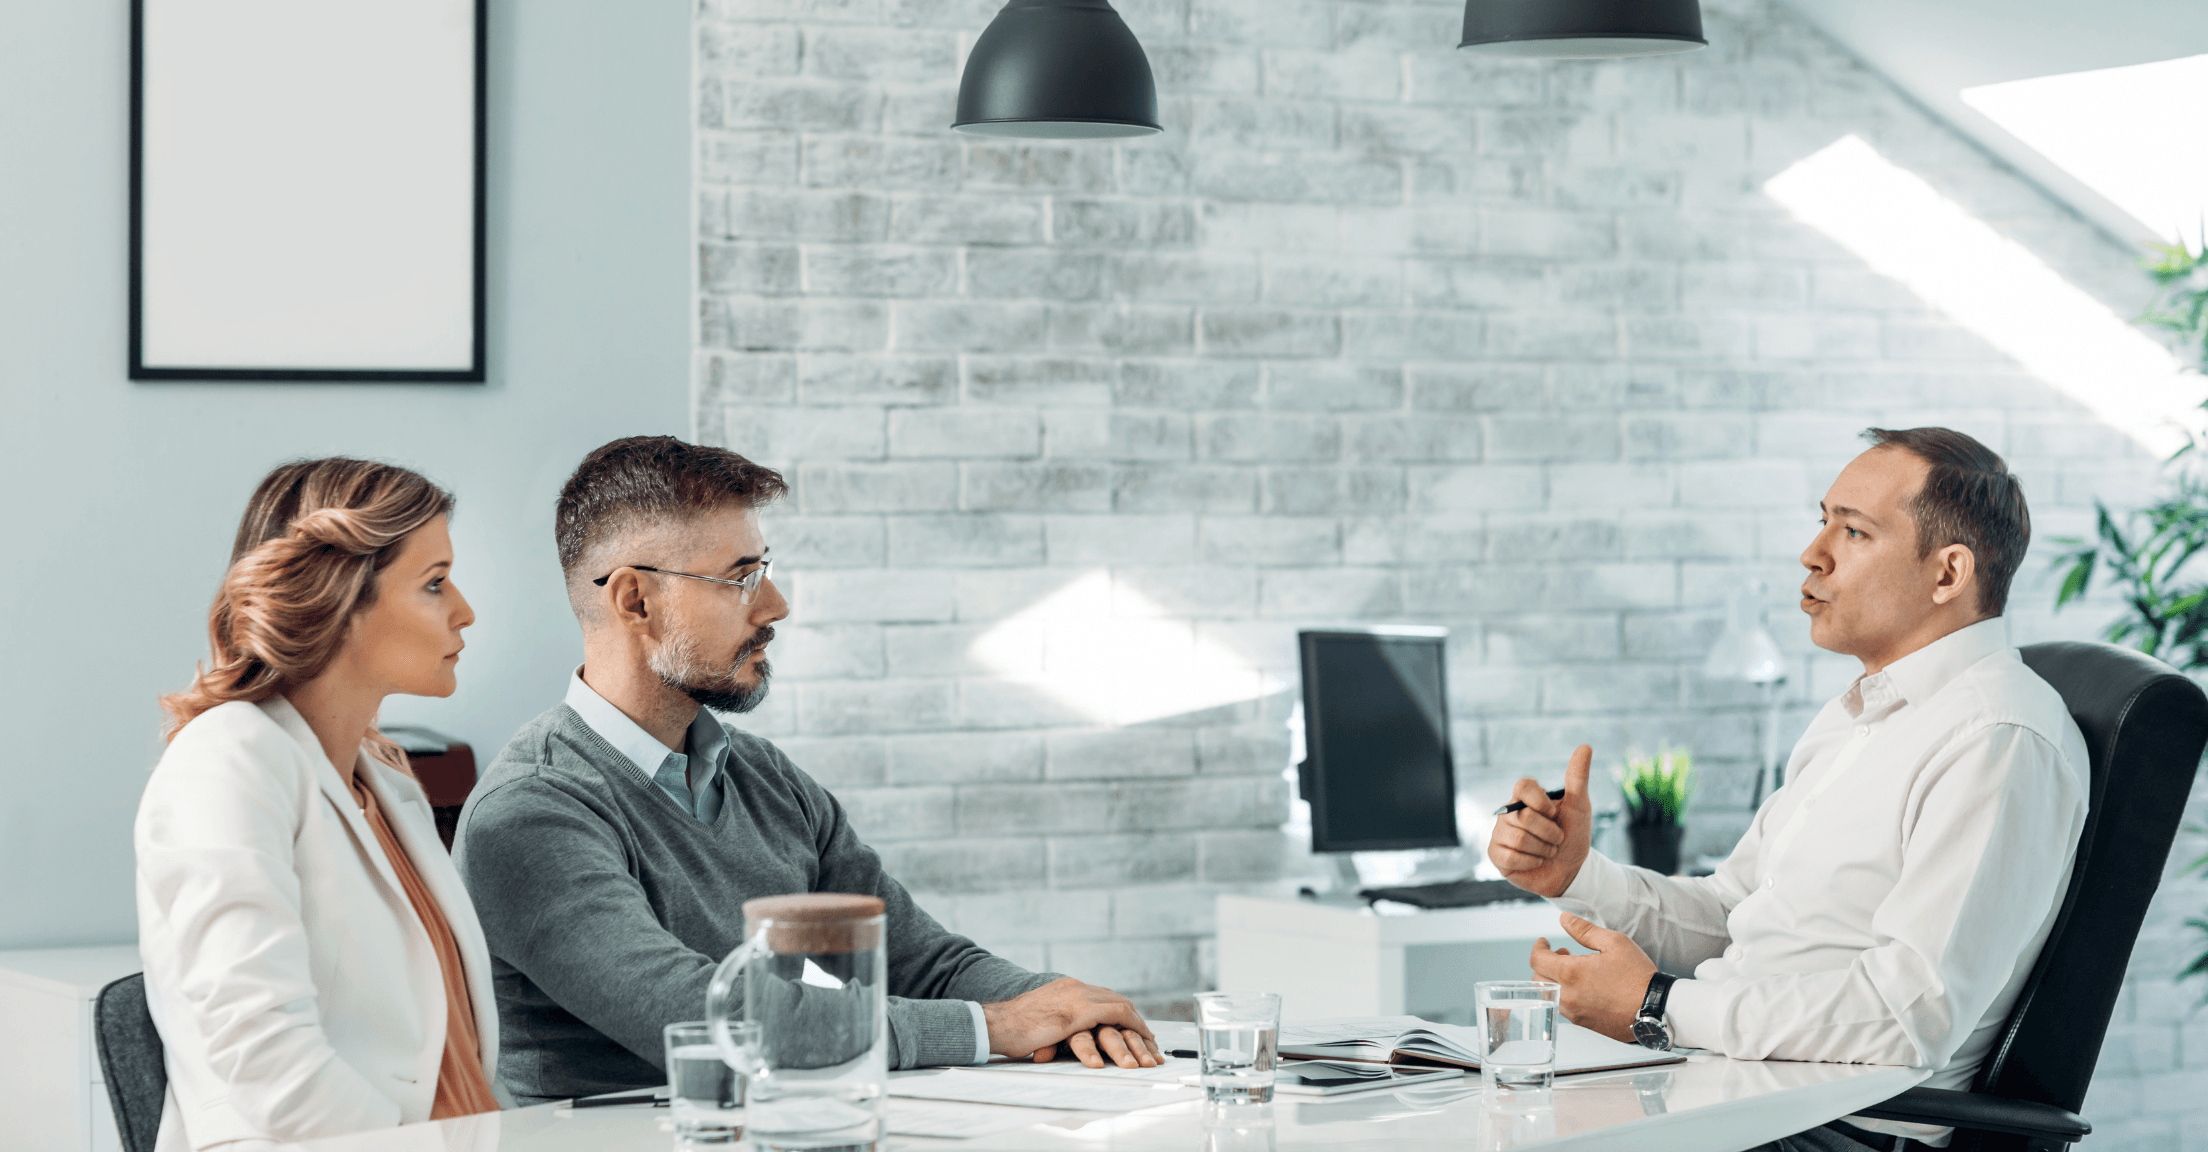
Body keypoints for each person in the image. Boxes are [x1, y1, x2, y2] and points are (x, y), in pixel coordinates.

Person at [455, 435, 1160, 1106]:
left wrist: (1064, 1005)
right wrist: (996, 1027)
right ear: (635, 600)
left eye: (765, 569)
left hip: (789, 1124)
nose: (775, 605)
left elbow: (921, 961)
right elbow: (712, 1018)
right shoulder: (530, 811)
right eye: (740, 578)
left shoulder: (765, 778)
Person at [1488, 428, 2088, 1152]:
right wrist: (1578, 876)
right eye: (1823, 519)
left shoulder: (2000, 736)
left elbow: (1909, 1016)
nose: (1814, 553)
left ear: (1947, 574)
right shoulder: (1855, 718)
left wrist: (1657, 1005)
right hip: (1732, 1096)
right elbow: (1733, 913)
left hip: (1827, 1131)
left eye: (1854, 530)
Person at [137, 459, 505, 1152]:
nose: (465, 610)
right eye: (434, 583)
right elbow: (268, 1062)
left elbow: (454, 1066)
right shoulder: (227, 760)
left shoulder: (389, 783)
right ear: (337, 600)